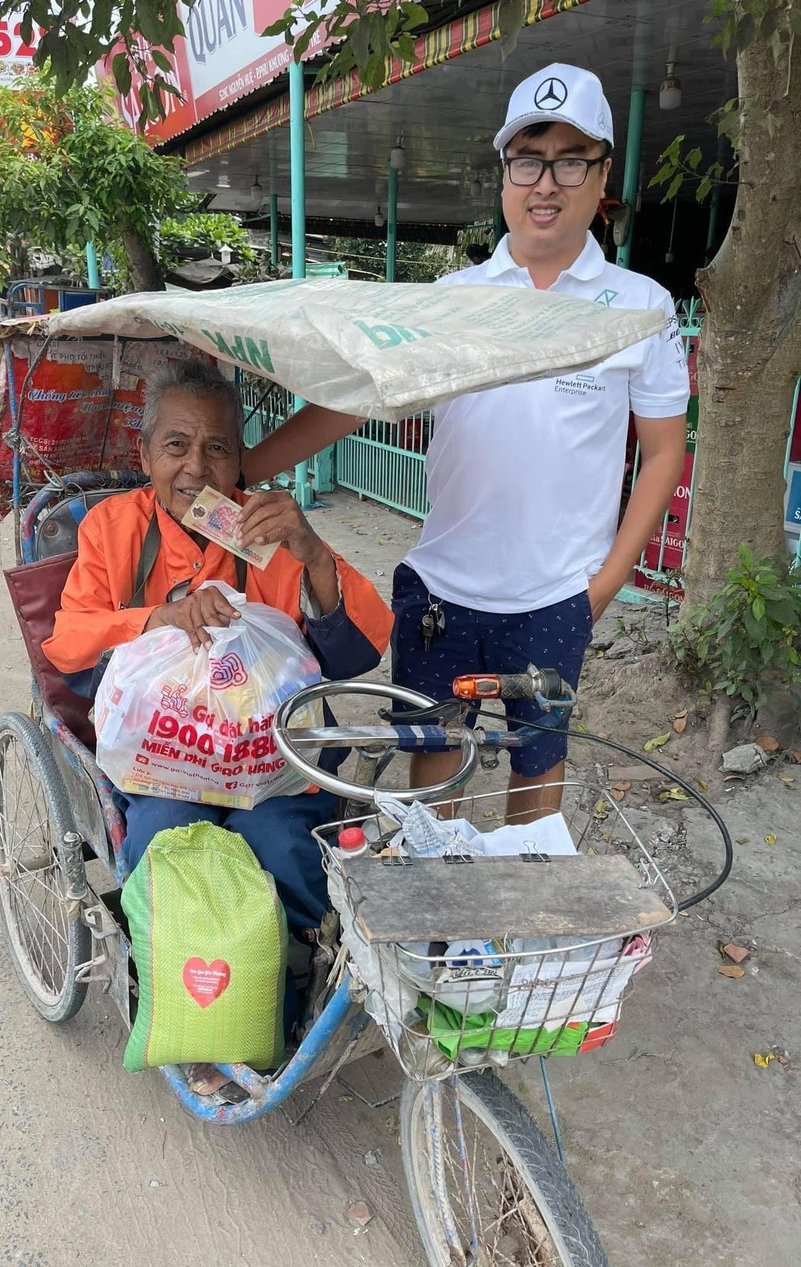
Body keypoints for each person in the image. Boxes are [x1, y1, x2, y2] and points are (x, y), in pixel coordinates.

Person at [242, 62, 689, 824]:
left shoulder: (637, 309)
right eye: (527, 160)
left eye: (570, 160)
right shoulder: (454, 302)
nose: (545, 183)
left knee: (538, 766)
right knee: (435, 762)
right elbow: (357, 401)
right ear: (505, 172)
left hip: (556, 595)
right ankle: (438, 926)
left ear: (603, 174)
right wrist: (245, 466)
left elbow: (664, 453)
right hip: (443, 588)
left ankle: (518, 923)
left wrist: (603, 585)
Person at [43, 357, 393, 933]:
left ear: (239, 458)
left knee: (282, 847)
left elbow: (353, 653)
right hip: (163, 761)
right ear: (145, 454)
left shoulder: (265, 530)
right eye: (176, 445)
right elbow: (71, 644)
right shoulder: (111, 527)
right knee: (167, 840)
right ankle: (175, 981)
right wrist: (161, 617)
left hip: (270, 758)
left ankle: (291, 967)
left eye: (218, 449)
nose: (196, 468)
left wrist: (311, 553)